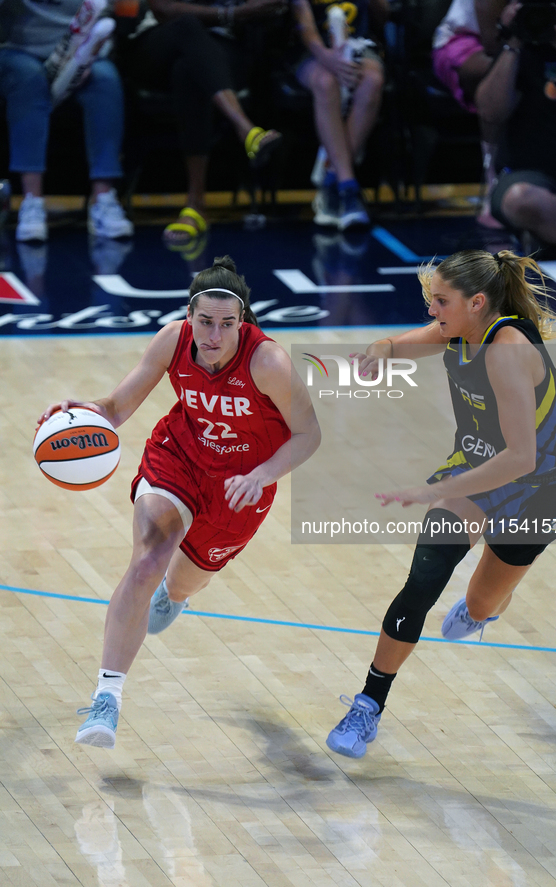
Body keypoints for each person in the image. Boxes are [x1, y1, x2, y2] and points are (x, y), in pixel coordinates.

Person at [38, 255, 321, 748]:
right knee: (148, 559)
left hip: (241, 484)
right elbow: (116, 407)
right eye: (204, 322)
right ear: (190, 317)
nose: (213, 335)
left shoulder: (267, 361)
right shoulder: (173, 339)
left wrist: (264, 473)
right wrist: (81, 411)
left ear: (243, 321)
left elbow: (309, 433)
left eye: (226, 324)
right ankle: (107, 698)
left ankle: (179, 595)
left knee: (182, 582)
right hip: (179, 457)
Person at [325, 248, 556, 758]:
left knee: (479, 606)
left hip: (537, 486)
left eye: (440, 301)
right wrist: (378, 350)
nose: (431, 310)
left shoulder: (508, 350)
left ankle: (482, 610)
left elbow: (521, 458)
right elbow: (396, 343)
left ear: (477, 302)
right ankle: (368, 705)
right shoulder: (459, 332)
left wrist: (432, 491)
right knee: (421, 583)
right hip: (474, 473)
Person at [125, 0, 286, 249]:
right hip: (158, 42)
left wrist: (245, 13)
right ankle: (246, 129)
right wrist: (231, 13)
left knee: (189, 71)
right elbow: (163, 9)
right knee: (188, 26)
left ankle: (195, 205)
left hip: (223, 47)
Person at [0, 0, 134, 242]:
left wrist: (86, 59)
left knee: (106, 79)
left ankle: (103, 200)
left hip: (82, 52)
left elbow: (107, 15)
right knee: (29, 80)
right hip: (20, 50)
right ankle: (32, 203)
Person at [478, 0, 556, 249]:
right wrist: (513, 41)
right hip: (537, 178)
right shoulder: (527, 39)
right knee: (519, 200)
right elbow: (489, 112)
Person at [291, 0, 388, 229]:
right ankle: (348, 187)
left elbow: (383, 15)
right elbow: (302, 23)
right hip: (310, 49)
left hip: (358, 45)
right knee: (326, 83)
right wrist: (328, 59)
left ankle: (332, 179)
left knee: (372, 81)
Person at [432, 0, 507, 227]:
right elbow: (494, 44)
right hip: (464, 41)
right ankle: (494, 189)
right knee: (500, 78)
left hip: (533, 41)